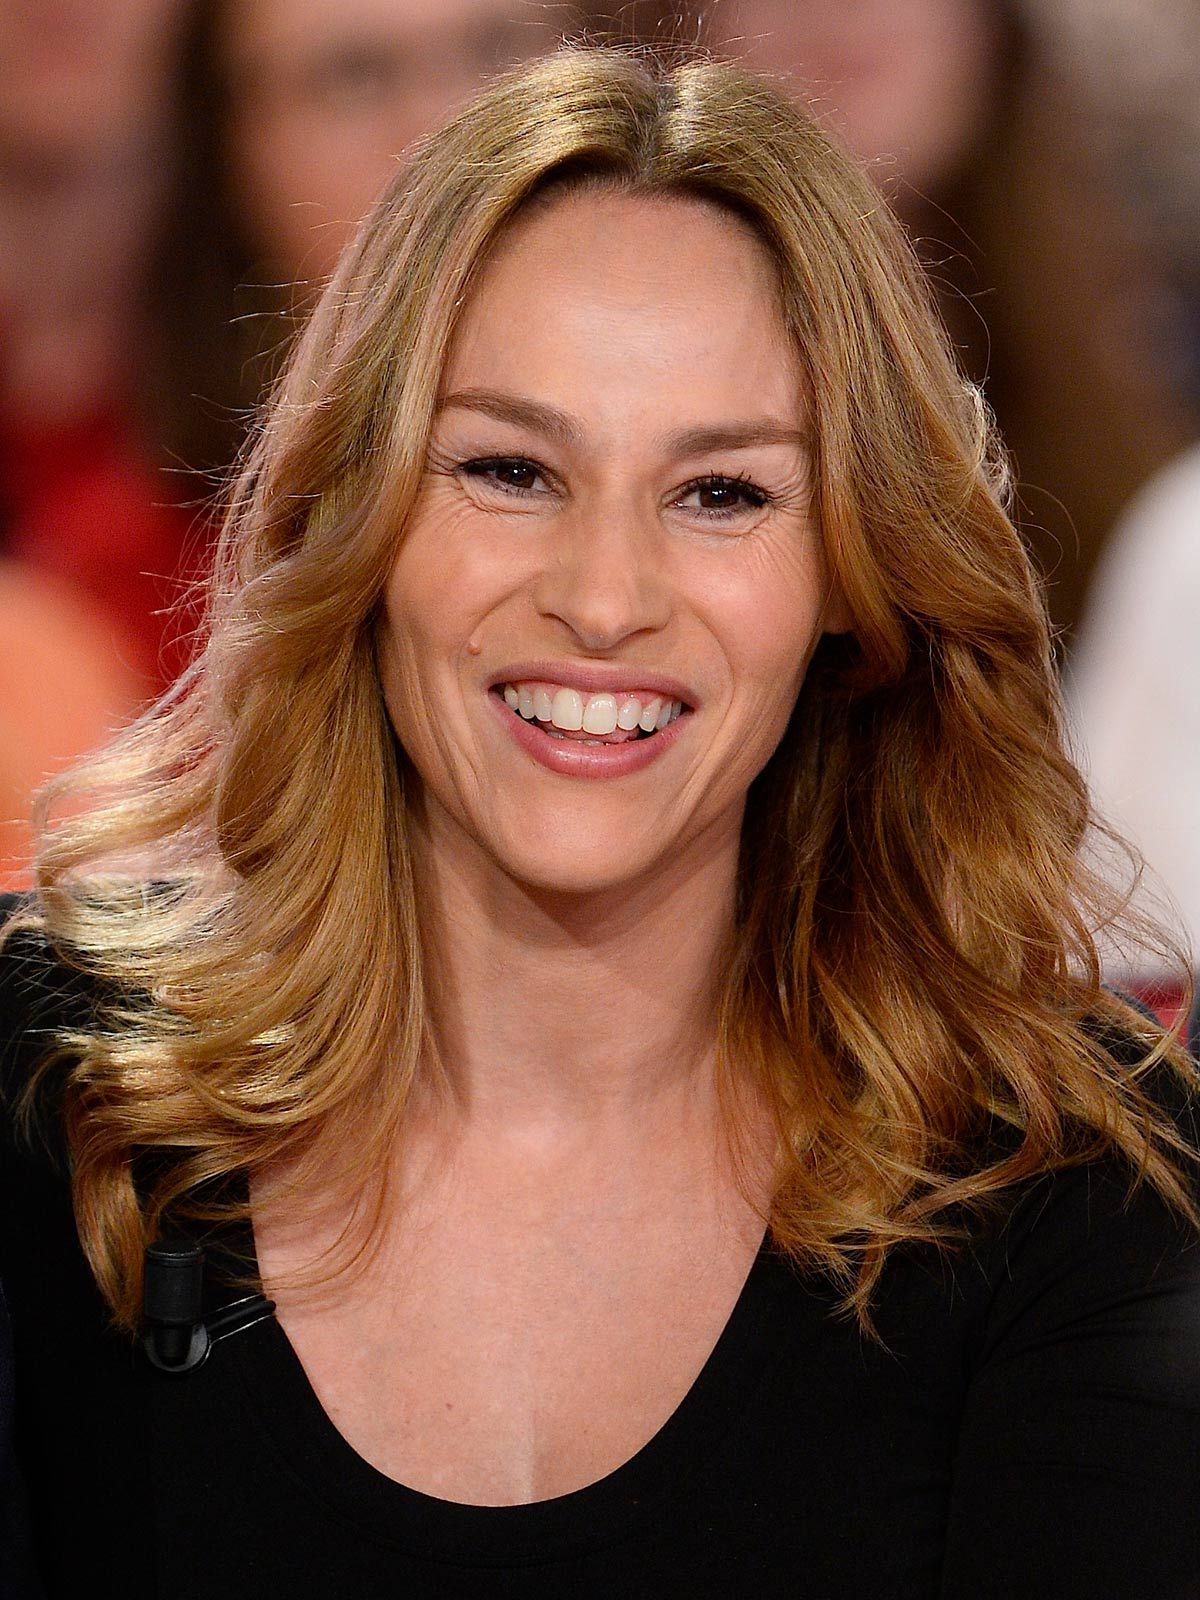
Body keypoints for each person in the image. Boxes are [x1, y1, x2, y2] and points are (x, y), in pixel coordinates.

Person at [1, 45, 1198, 1599]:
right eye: (510, 469)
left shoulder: (1067, 1183)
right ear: (361, 519)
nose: (606, 597)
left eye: (723, 494)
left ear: (852, 577)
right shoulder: (53, 1097)